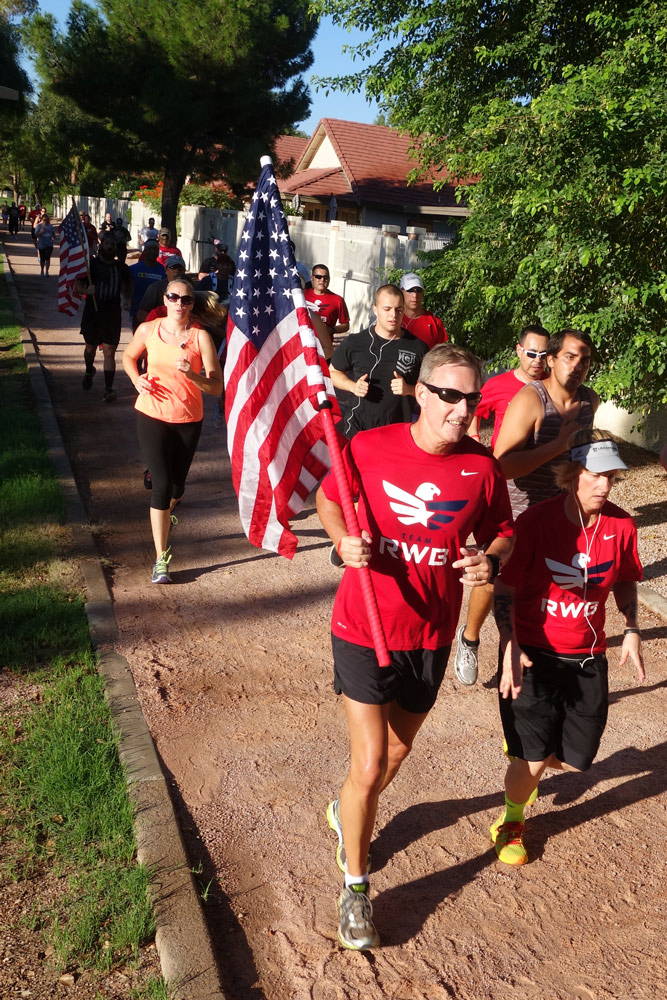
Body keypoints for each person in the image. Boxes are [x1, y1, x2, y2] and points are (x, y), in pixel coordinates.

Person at [316, 343, 514, 950]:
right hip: (364, 625)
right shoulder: (372, 447)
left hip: (430, 635)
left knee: (392, 760)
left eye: (472, 397)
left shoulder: (481, 468)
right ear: (422, 394)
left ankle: (347, 806)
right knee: (372, 762)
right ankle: (356, 888)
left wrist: (489, 561)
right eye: (451, 396)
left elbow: (503, 531)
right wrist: (343, 540)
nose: (464, 409)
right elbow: (330, 498)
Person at [491, 429, 644, 866]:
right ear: (571, 475)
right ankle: (512, 820)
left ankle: (526, 754)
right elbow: (505, 585)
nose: (604, 486)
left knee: (575, 761)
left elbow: (628, 577)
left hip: (587, 658)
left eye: (611, 477)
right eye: (595, 475)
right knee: (534, 759)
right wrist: (509, 642)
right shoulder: (536, 522)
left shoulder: (621, 524)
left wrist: (632, 627)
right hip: (535, 654)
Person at [454, 328, 599, 688]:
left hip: (559, 511)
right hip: (516, 510)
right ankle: (470, 638)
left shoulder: (589, 402)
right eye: (569, 356)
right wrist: (557, 445)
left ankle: (533, 649)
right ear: (551, 360)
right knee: (496, 579)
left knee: (544, 585)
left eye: (584, 359)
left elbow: (579, 456)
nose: (577, 366)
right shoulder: (531, 399)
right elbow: (500, 464)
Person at [454, 325, 550, 686]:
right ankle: (471, 636)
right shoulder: (498, 385)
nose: (537, 361)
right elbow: (474, 408)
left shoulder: (553, 390)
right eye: (531, 353)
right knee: (493, 570)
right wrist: (474, 437)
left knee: (535, 579)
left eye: (543, 354)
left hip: (545, 495)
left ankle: (525, 651)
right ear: (518, 350)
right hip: (504, 488)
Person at [122, 278, 222, 584]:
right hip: (151, 414)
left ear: (193, 304)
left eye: (186, 299)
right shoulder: (148, 330)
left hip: (188, 419)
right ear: (165, 299)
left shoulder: (200, 337)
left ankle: (166, 509)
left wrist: (191, 374)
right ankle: (161, 559)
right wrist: (135, 378)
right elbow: (129, 356)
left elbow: (216, 387)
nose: (180, 303)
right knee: (162, 486)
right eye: (174, 297)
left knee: (177, 488)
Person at [330, 284, 428, 438]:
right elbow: (333, 372)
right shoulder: (355, 341)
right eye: (387, 309)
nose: (393, 315)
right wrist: (353, 386)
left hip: (396, 434)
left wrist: (409, 389)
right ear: (375, 309)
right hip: (356, 430)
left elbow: (431, 390)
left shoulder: (418, 347)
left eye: (398, 309)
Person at [76, 231, 131, 402]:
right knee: (90, 347)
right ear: (101, 245)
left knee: (109, 350)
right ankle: (88, 369)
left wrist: (126, 300)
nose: (111, 247)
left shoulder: (121, 267)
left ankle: (108, 389)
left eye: (113, 245)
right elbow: (77, 287)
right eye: (108, 244)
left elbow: (127, 287)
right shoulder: (90, 265)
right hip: (93, 311)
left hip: (112, 313)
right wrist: (86, 290)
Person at [399, 272, 448, 349]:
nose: (415, 295)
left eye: (418, 290)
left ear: (423, 293)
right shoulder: (393, 319)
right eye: (410, 290)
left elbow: (443, 354)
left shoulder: (435, 323)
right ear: (401, 292)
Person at [304, 264, 350, 348]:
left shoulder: (338, 300)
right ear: (312, 278)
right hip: (302, 345)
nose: (322, 280)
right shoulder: (302, 295)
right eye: (318, 277)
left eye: (326, 277)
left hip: (324, 348)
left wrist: (332, 330)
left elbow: (346, 325)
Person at [135, 255, 187, 325]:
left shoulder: (191, 288)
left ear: (184, 271)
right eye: (173, 267)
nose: (177, 271)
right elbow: (142, 314)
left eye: (180, 268)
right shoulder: (155, 288)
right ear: (166, 270)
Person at [128, 241, 166, 330]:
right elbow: (127, 289)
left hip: (158, 315)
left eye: (155, 249)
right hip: (138, 312)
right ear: (145, 251)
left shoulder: (163, 271)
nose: (152, 252)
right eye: (150, 249)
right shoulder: (133, 269)